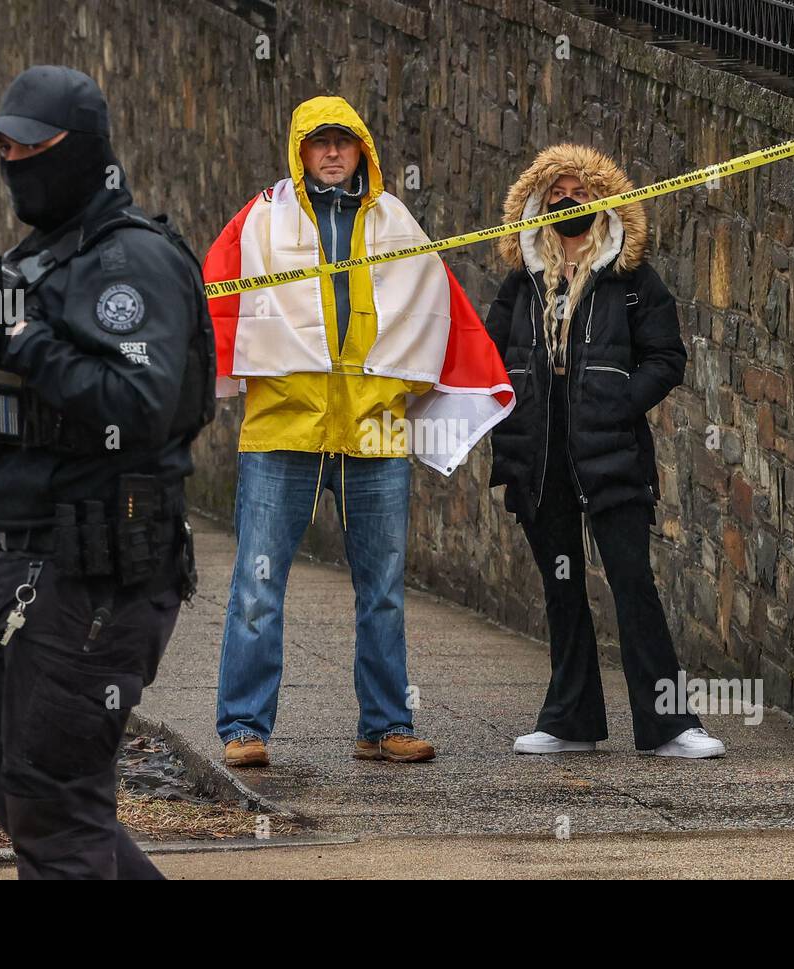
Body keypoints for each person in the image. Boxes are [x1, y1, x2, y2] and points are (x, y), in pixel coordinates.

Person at [0, 65, 215, 878]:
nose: (14, 163)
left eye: (32, 146)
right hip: (24, 555)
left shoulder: (130, 260)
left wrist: (27, 345)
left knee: (55, 799)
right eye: (4, 148)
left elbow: (137, 402)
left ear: (84, 151)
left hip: (98, 565)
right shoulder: (38, 262)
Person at [203, 96, 512, 769]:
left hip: (374, 431)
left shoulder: (397, 221)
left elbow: (439, 311)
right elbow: (216, 296)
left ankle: (385, 723)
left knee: (384, 588)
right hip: (284, 427)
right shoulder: (261, 217)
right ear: (301, 151)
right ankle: (243, 726)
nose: (334, 153)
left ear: (363, 151)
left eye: (345, 142)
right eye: (321, 143)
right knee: (259, 584)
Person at [486, 144, 724, 759]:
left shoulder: (631, 278)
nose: (568, 204)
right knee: (561, 587)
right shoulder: (523, 282)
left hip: (611, 451)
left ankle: (670, 725)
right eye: (557, 195)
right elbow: (488, 357)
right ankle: (570, 720)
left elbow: (666, 358)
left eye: (580, 195)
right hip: (538, 454)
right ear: (539, 205)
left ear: (603, 203)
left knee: (631, 580)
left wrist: (616, 402)